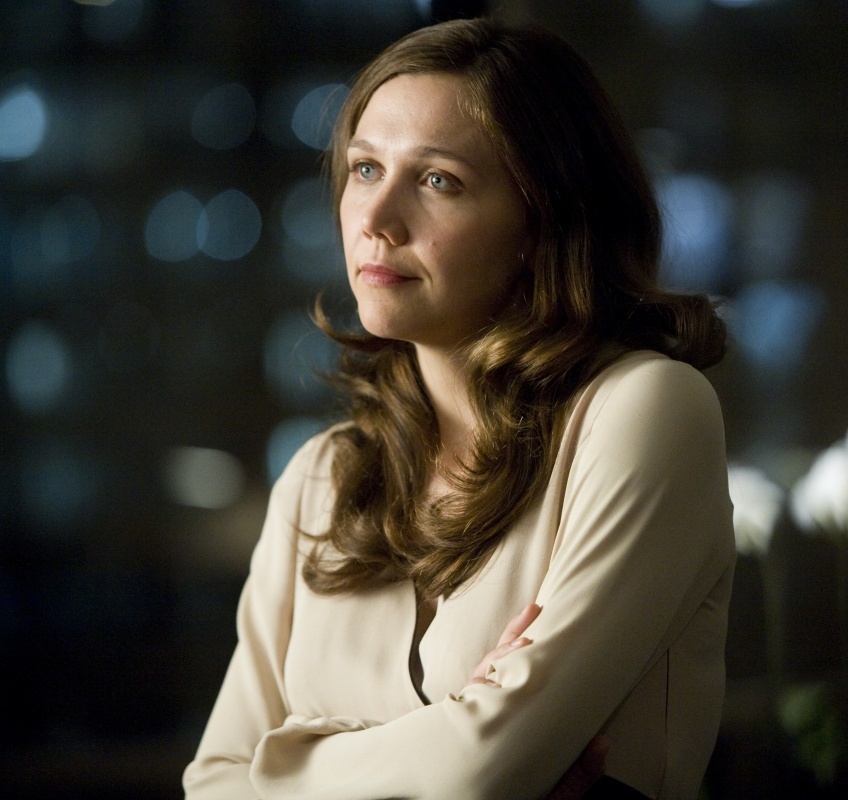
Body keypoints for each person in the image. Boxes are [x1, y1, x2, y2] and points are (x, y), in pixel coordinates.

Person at [182, 17, 734, 800]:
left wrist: (285, 764)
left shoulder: (646, 410)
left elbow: (482, 769)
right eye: (365, 169)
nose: (377, 220)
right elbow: (211, 784)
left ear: (543, 218)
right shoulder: (321, 478)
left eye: (439, 180)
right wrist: (459, 737)